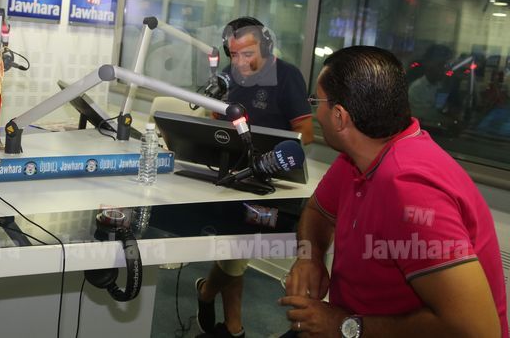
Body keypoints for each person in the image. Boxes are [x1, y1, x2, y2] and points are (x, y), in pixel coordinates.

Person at [279, 46, 506, 337]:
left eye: (316, 101)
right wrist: (310, 257)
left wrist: (344, 326)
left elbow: (479, 330)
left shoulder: (409, 188)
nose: (315, 112)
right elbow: (318, 211)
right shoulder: (359, 157)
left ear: (339, 116)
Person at [196, 17, 314, 338]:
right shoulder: (229, 77)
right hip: (232, 174)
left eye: (247, 53)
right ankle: (233, 328)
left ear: (266, 46)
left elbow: (305, 133)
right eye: (233, 54)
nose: (239, 62)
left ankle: (207, 292)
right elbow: (216, 123)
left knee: (238, 249)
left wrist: (268, 157)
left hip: (271, 181)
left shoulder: (287, 76)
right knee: (236, 248)